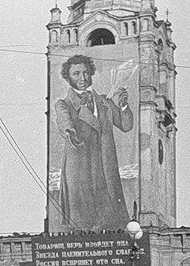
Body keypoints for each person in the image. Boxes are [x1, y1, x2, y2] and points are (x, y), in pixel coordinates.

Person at [55, 54, 133, 230]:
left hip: (104, 163)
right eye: (76, 74)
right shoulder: (63, 104)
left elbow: (126, 125)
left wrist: (123, 106)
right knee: (83, 218)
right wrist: (70, 132)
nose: (82, 78)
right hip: (81, 163)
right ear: (68, 78)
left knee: (109, 212)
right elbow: (64, 121)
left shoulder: (104, 102)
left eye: (85, 73)